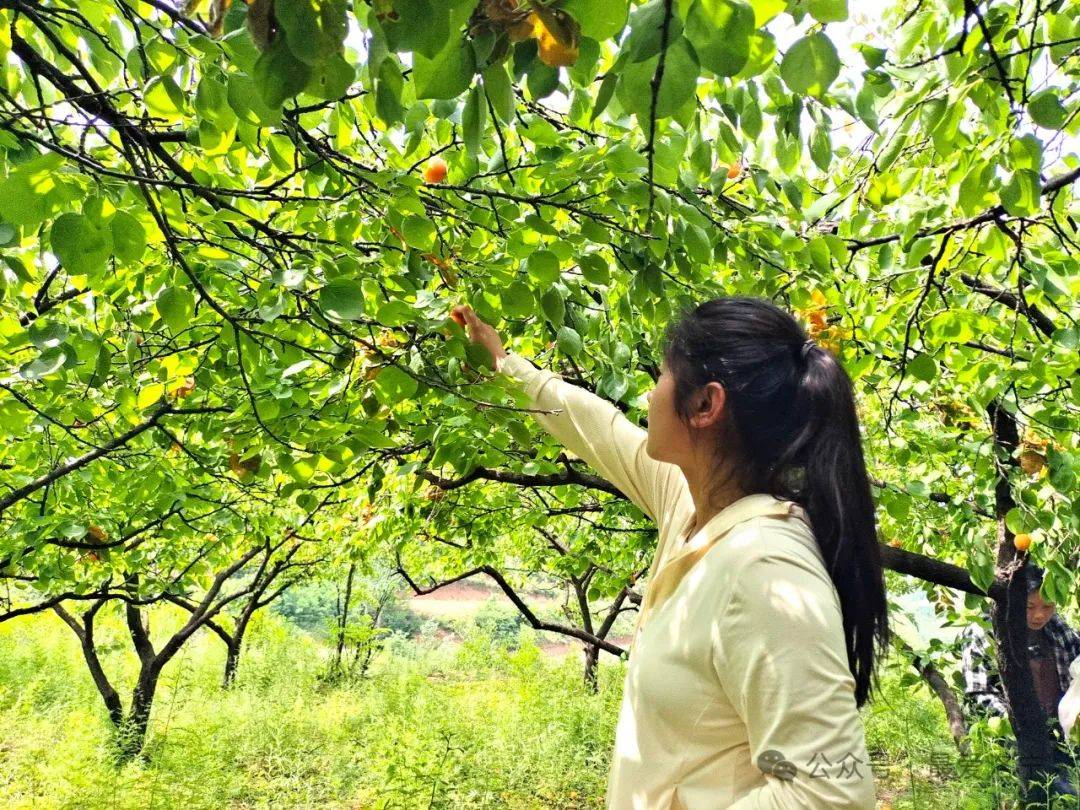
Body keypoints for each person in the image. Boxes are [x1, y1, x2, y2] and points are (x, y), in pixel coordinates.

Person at [451, 296, 888, 808]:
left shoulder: (765, 567)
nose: (648, 393)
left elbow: (831, 793)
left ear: (705, 405)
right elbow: (597, 427)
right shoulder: (692, 505)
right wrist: (504, 364)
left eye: (661, 376)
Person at [960, 563, 1080, 801]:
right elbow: (979, 694)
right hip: (1014, 737)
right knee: (1047, 794)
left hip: (1060, 732)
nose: (1039, 615)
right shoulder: (983, 632)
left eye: (1047, 606)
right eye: (1029, 606)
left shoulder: (1057, 627)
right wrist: (1018, 723)